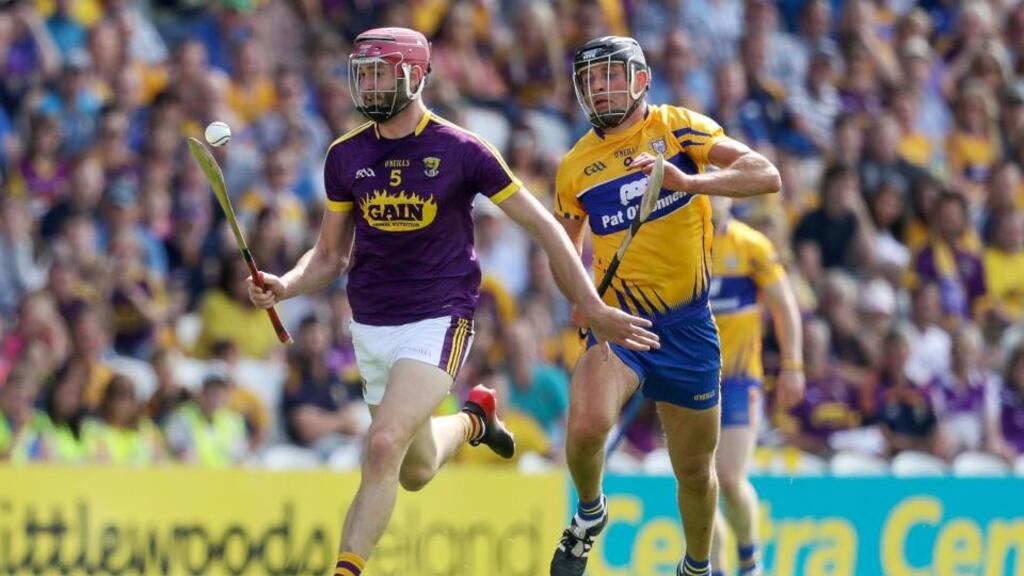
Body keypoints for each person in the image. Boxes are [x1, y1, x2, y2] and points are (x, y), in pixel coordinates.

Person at [246, 28, 658, 576]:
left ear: (416, 75)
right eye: (362, 73)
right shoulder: (345, 156)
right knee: (412, 468)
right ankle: (473, 420)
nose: (368, 85)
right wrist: (284, 283)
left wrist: (592, 303)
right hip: (371, 323)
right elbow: (327, 256)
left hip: (440, 317)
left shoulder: (462, 150)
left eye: (380, 73)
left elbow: (545, 227)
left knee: (382, 443)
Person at [551, 36, 780, 576]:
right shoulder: (576, 166)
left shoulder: (679, 127)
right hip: (621, 323)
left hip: (688, 328)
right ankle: (589, 515)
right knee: (585, 430)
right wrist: (582, 300)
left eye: (612, 75)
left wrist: (690, 181)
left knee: (697, 474)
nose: (601, 88)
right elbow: (564, 251)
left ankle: (697, 566)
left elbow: (765, 174)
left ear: (640, 80)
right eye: (591, 79)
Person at [707, 196, 805, 576]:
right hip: (689, 383)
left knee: (729, 478)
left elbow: (785, 306)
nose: (711, 199)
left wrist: (793, 365)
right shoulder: (679, 246)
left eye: (718, 191)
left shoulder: (752, 247)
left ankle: (749, 559)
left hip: (737, 379)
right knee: (701, 485)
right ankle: (711, 566)